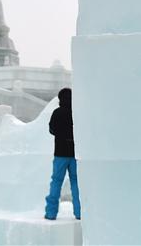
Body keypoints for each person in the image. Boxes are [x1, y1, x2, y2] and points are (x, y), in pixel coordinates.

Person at [44, 87, 81, 221]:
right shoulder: (76, 112)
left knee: (56, 182)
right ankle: (79, 212)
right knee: (76, 183)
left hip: (60, 153)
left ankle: (51, 213)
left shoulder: (57, 113)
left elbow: (52, 129)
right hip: (75, 154)